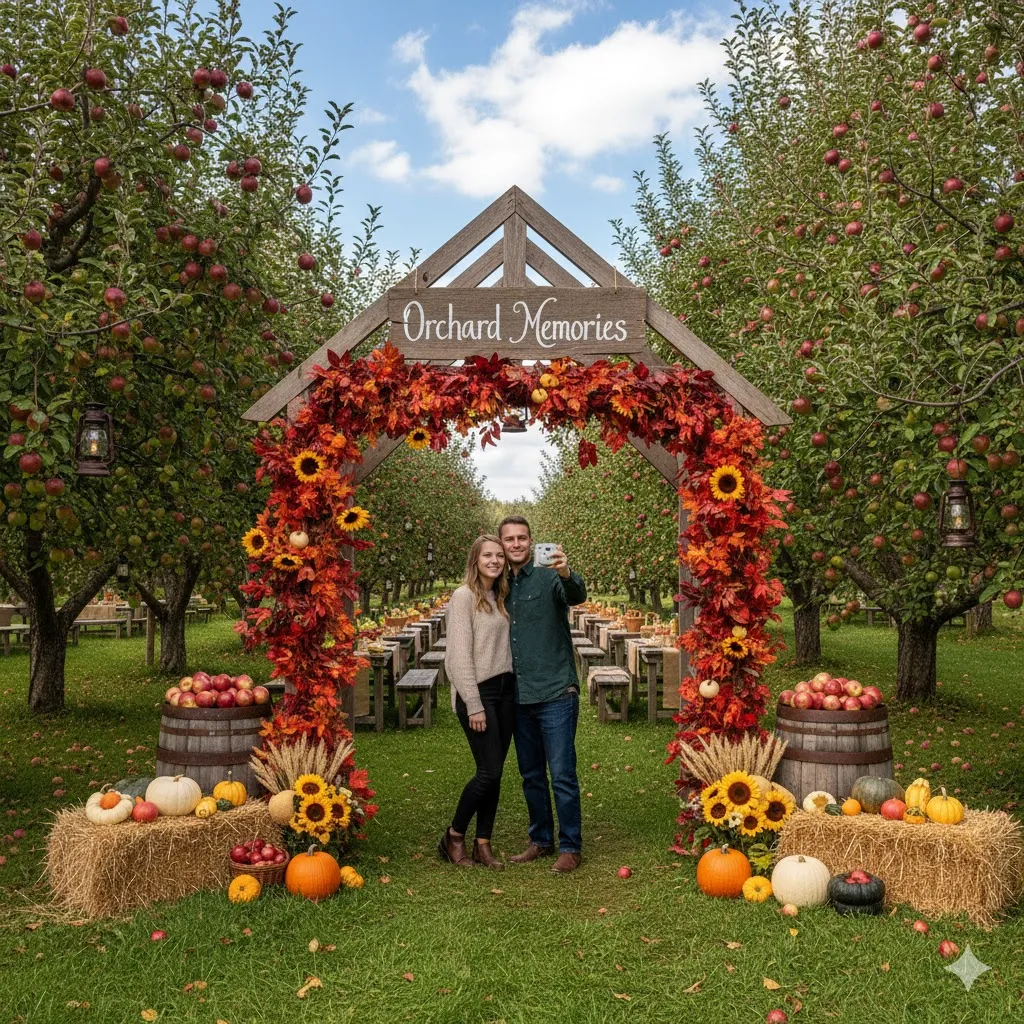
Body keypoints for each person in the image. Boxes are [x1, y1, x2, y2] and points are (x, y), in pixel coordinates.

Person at [498, 515, 587, 874]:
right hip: (519, 694)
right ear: (501, 544)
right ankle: (540, 839)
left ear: (531, 541)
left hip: (555, 692)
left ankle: (570, 845)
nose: (516, 544)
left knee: (562, 772)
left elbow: (575, 595)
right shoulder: (499, 584)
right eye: (509, 539)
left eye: (522, 538)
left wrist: (566, 573)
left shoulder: (550, 575)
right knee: (531, 773)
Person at [439, 535, 516, 870]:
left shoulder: (499, 596)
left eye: (500, 556)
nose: (495, 561)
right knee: (488, 771)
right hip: (479, 692)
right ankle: (453, 835)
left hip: (505, 691)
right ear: (476, 559)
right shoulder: (463, 597)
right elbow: (456, 658)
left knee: (495, 773)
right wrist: (473, 703)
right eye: (488, 555)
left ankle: (483, 842)